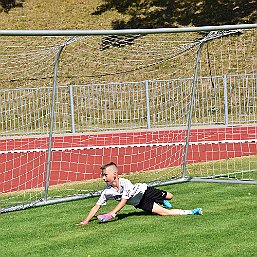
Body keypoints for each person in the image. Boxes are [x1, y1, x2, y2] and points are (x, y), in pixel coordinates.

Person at [80, 162, 202, 225]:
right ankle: (193, 211)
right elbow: (97, 206)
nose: (103, 178)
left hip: (145, 191)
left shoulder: (125, 183)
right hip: (140, 203)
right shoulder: (107, 192)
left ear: (115, 175)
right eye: (103, 175)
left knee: (170, 196)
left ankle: (162, 200)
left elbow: (124, 201)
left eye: (105, 175)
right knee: (165, 213)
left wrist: (112, 213)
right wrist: (86, 221)